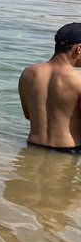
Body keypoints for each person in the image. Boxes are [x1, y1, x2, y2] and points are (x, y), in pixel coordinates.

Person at [18, 22, 81, 153]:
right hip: (66, 153)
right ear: (79, 49)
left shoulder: (28, 73)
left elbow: (28, 114)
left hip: (32, 147)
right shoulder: (78, 80)